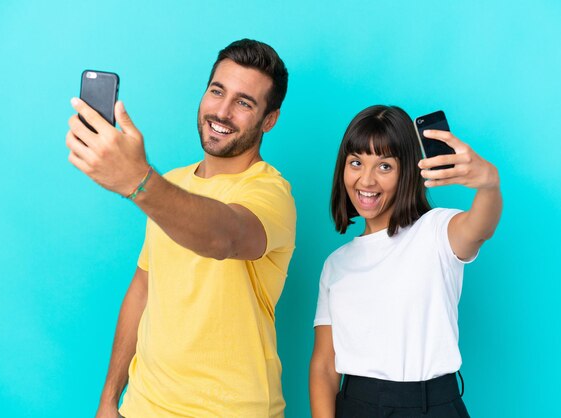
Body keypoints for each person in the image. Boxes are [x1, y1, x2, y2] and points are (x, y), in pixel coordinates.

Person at [65, 39, 296, 418]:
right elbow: (143, 289)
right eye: (217, 91)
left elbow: (225, 237)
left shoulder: (272, 194)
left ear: (269, 120)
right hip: (145, 406)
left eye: (244, 102)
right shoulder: (171, 184)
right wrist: (109, 399)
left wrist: (138, 182)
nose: (221, 112)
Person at [309, 105, 502, 417]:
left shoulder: (437, 230)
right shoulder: (336, 264)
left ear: (407, 172)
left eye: (385, 167)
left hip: (432, 405)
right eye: (356, 162)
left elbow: (481, 227)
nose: (366, 180)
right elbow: (323, 366)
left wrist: (489, 184)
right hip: (356, 405)